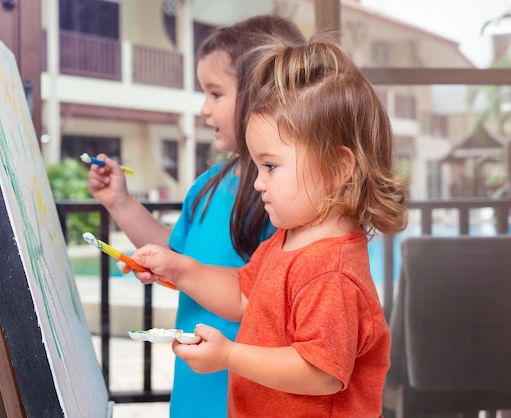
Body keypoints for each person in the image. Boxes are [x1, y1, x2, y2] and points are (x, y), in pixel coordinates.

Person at [130, 31, 409, 417]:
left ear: (340, 167)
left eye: (271, 166)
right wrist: (180, 269)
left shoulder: (333, 272)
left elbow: (320, 370)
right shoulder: (286, 240)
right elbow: (245, 297)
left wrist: (229, 355)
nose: (258, 181)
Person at [87, 15, 305, 418]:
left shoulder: (286, 200)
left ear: (264, 96)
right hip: (194, 387)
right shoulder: (207, 184)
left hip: (248, 391)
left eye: (215, 93)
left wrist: (181, 268)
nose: (204, 109)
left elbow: (268, 295)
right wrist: (119, 202)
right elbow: (176, 254)